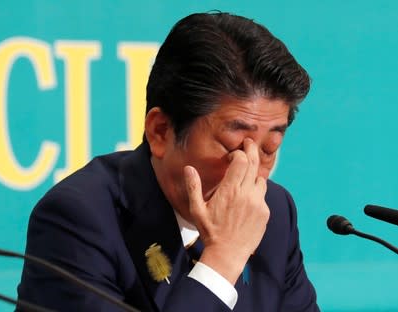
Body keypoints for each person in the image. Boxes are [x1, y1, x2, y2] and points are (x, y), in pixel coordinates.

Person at [17, 12, 319, 311]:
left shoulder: (275, 212)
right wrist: (223, 258)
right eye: (233, 147)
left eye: (269, 148)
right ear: (161, 131)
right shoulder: (79, 219)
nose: (249, 170)